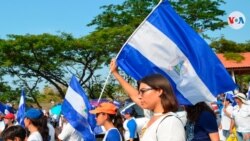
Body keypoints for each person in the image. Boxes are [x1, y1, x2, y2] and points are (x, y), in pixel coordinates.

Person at [110, 59, 185, 141]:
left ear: (159, 91)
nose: (139, 97)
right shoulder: (153, 117)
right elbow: (134, 95)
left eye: (143, 91)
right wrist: (115, 73)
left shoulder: (170, 122)